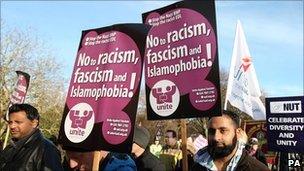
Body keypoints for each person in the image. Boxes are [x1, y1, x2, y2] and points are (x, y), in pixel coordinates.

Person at [192, 110, 269, 171]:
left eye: (223, 130)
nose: (216, 137)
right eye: (211, 131)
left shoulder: (257, 169)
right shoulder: (197, 166)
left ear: (238, 133)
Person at [0, 103, 63, 170]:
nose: (12, 126)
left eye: (18, 122)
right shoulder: (11, 147)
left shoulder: (47, 149)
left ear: (34, 123)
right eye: (10, 122)